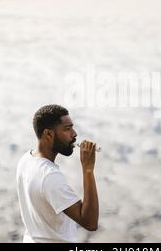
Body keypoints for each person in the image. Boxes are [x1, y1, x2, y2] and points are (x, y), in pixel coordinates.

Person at [16, 104, 99, 243]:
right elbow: (90, 223)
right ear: (48, 134)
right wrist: (88, 169)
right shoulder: (50, 176)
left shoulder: (26, 159)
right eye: (67, 129)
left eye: (72, 127)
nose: (74, 134)